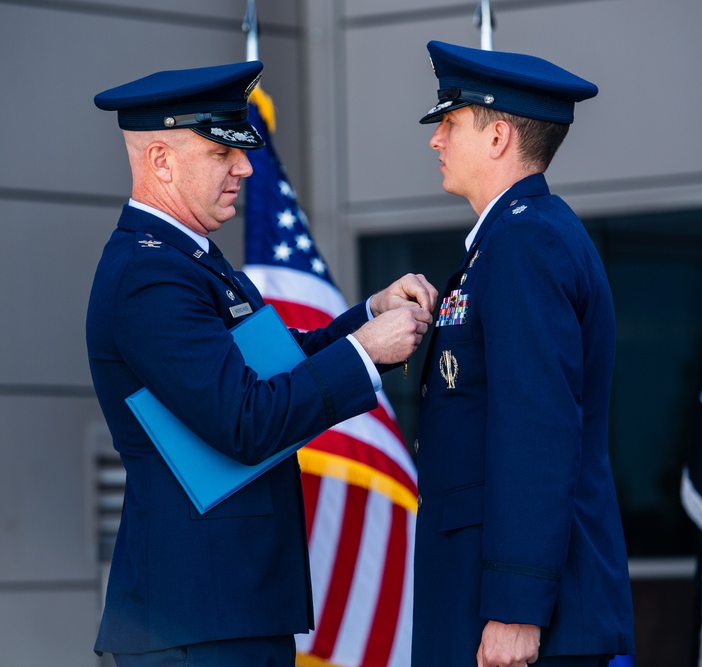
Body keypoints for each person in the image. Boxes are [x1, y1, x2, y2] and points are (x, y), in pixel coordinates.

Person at [87, 60, 437, 667]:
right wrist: (367, 352)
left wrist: (365, 317)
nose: (244, 165)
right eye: (222, 150)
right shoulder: (151, 273)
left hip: (225, 607)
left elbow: (270, 368)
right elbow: (244, 420)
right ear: (161, 161)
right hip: (197, 616)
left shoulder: (186, 258)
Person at [410, 41, 635, 667]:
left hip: (518, 625)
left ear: (499, 136)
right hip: (491, 604)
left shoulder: (522, 243)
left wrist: (515, 608)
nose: (436, 141)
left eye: (450, 123)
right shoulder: (514, 237)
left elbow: (536, 432)